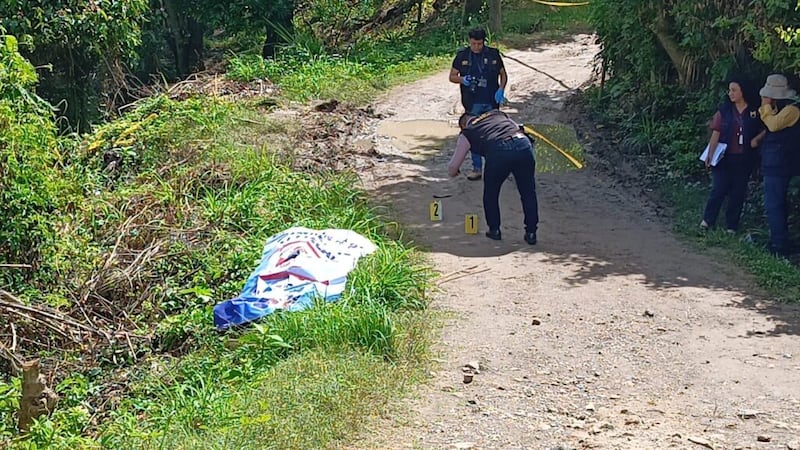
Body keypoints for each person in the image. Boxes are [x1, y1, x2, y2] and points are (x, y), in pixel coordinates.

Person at [448, 109, 538, 244]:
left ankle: (494, 230)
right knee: (528, 192)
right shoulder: (497, 114)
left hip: (498, 151)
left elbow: (453, 167)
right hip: (523, 145)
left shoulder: (467, 132)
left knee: (491, 193)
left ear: (463, 125)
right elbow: (517, 128)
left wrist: (455, 172)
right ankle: (531, 233)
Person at [700, 78, 765, 233]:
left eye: (734, 90)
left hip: (744, 157)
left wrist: (757, 139)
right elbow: (716, 132)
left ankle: (732, 225)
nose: (731, 93)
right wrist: (710, 154)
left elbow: (766, 127)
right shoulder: (724, 111)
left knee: (738, 192)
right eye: (730, 90)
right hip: (724, 157)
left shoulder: (754, 112)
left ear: (743, 91)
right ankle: (708, 221)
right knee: (718, 189)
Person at [449, 27, 508, 181]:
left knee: (493, 135)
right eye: (474, 43)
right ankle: (477, 168)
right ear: (469, 41)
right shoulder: (462, 56)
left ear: (484, 42)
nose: (477, 47)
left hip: (491, 101)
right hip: (472, 102)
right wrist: (463, 80)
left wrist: (501, 89)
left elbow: (503, 74)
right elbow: (452, 76)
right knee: (474, 135)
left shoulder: (493, 54)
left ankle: (493, 167)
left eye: (480, 44)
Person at [757, 74, 800, 257]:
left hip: (782, 164)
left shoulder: (792, 110)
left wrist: (765, 107)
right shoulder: (780, 109)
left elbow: (774, 125)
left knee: (774, 204)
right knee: (775, 204)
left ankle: (779, 245)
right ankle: (779, 240)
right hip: (775, 163)